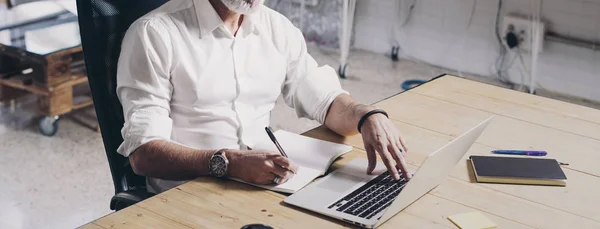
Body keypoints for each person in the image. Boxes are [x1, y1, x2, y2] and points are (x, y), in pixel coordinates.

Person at [117, 0, 411, 193]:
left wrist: (367, 116)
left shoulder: (277, 28)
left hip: (265, 187)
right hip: (189, 193)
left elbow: (327, 102)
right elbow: (143, 155)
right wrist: (228, 162)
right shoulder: (153, 33)